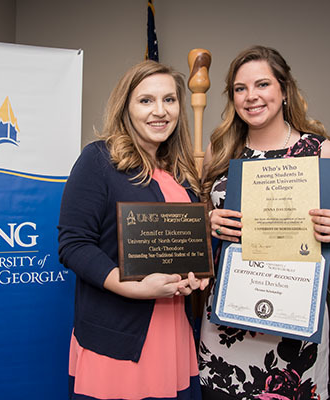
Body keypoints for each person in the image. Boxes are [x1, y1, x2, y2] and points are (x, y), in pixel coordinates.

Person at [198, 45, 330, 400]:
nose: (251, 96)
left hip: (293, 316)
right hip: (228, 310)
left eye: (262, 84)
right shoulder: (220, 151)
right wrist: (208, 220)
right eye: (240, 88)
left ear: (284, 90)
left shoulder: (322, 152)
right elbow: (198, 224)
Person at [58, 60, 209, 400]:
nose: (160, 111)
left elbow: (185, 246)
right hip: (118, 336)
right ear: (126, 106)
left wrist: (197, 273)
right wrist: (133, 287)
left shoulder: (182, 172)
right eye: (146, 100)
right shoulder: (99, 160)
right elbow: (74, 245)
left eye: (169, 100)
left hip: (173, 331)